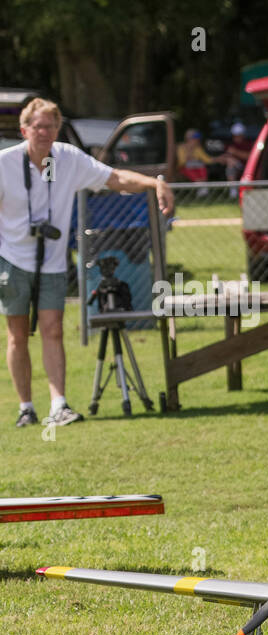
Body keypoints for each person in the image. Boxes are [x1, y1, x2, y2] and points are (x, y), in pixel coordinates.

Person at [3, 98, 174, 428]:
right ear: (24, 130)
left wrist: (155, 183)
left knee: (53, 330)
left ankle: (59, 405)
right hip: (12, 259)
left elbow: (117, 179)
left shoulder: (67, 158)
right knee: (17, 335)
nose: (44, 133)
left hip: (51, 261)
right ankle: (26, 407)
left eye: (51, 126)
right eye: (37, 126)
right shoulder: (5, 163)